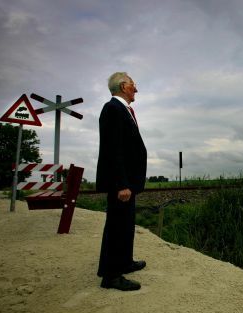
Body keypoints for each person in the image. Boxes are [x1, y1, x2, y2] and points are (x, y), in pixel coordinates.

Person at [96, 72, 147, 291]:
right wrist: (121, 184)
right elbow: (112, 150)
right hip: (122, 184)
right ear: (124, 86)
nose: (136, 89)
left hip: (128, 182)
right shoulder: (112, 109)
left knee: (126, 225)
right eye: (134, 85)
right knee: (117, 226)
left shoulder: (123, 110)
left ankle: (124, 262)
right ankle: (111, 276)